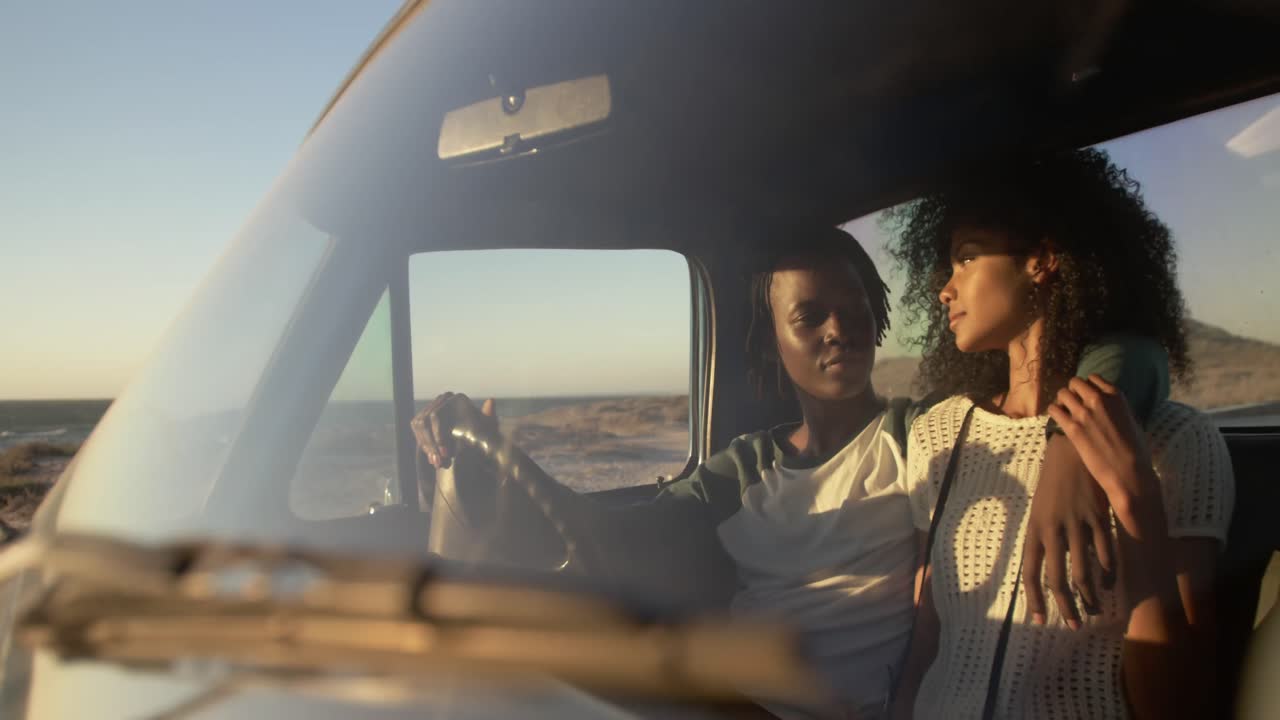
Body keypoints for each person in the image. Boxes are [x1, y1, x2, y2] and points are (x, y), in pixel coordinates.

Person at [413, 225, 1167, 719]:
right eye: (810, 317)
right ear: (773, 342)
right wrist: (487, 456)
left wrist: (1070, 442)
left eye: (853, 309)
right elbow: (599, 531)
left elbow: (1135, 352)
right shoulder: (742, 470)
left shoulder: (924, 435)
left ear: (877, 316)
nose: (838, 329)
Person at [887, 149, 1235, 719]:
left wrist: (1132, 498)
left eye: (966, 258)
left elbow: (1181, 703)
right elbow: (929, 635)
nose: (944, 291)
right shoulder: (940, 434)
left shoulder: (1176, 440)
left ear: (1043, 260)